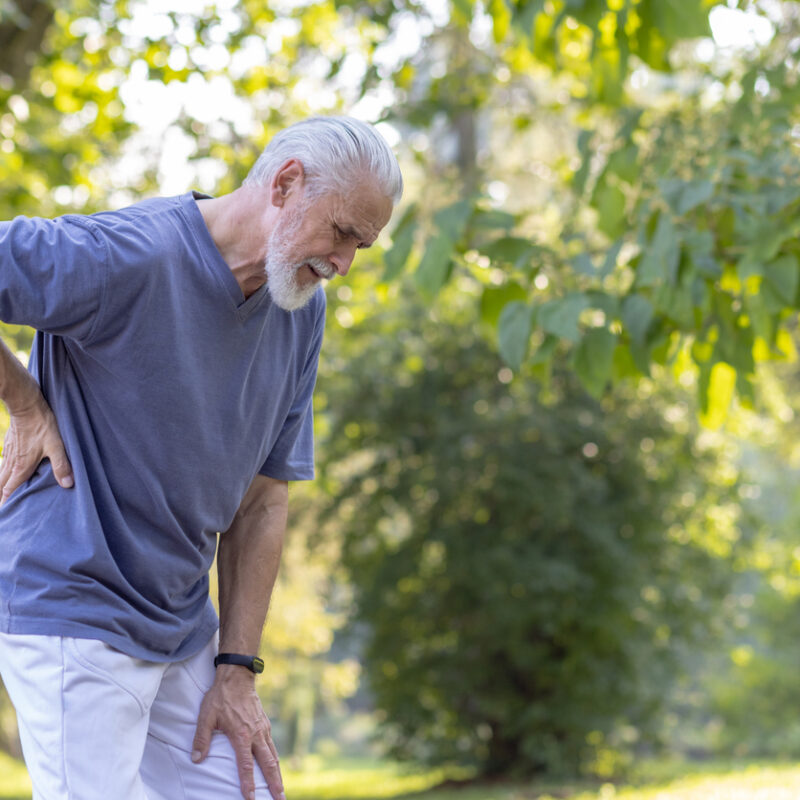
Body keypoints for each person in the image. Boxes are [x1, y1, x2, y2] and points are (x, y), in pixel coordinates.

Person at [0, 115, 402, 800]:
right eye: (341, 233)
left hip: (180, 623)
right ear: (285, 183)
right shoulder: (127, 255)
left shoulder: (299, 309)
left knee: (246, 791)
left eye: (361, 246)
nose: (343, 264)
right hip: (74, 603)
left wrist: (237, 667)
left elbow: (265, 497)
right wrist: (26, 403)